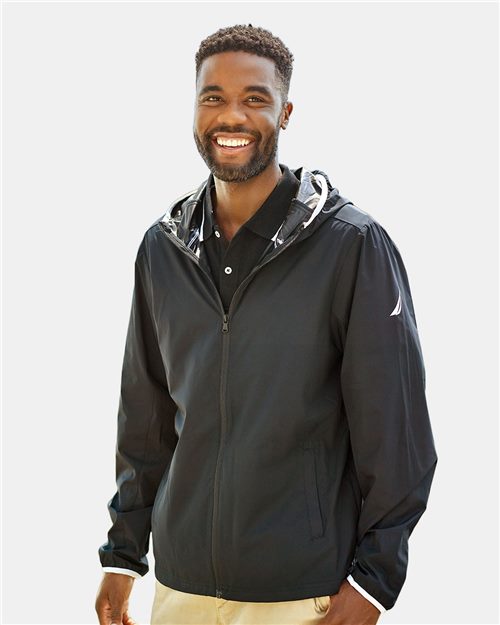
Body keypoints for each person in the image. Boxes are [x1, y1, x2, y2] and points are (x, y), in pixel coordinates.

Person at [95, 24, 438, 625]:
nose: (231, 116)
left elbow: (396, 432)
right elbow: (144, 418)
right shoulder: (163, 249)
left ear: (285, 113)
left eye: (255, 98)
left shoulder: (351, 246)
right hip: (180, 589)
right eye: (213, 97)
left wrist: (374, 584)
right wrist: (123, 558)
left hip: (300, 593)